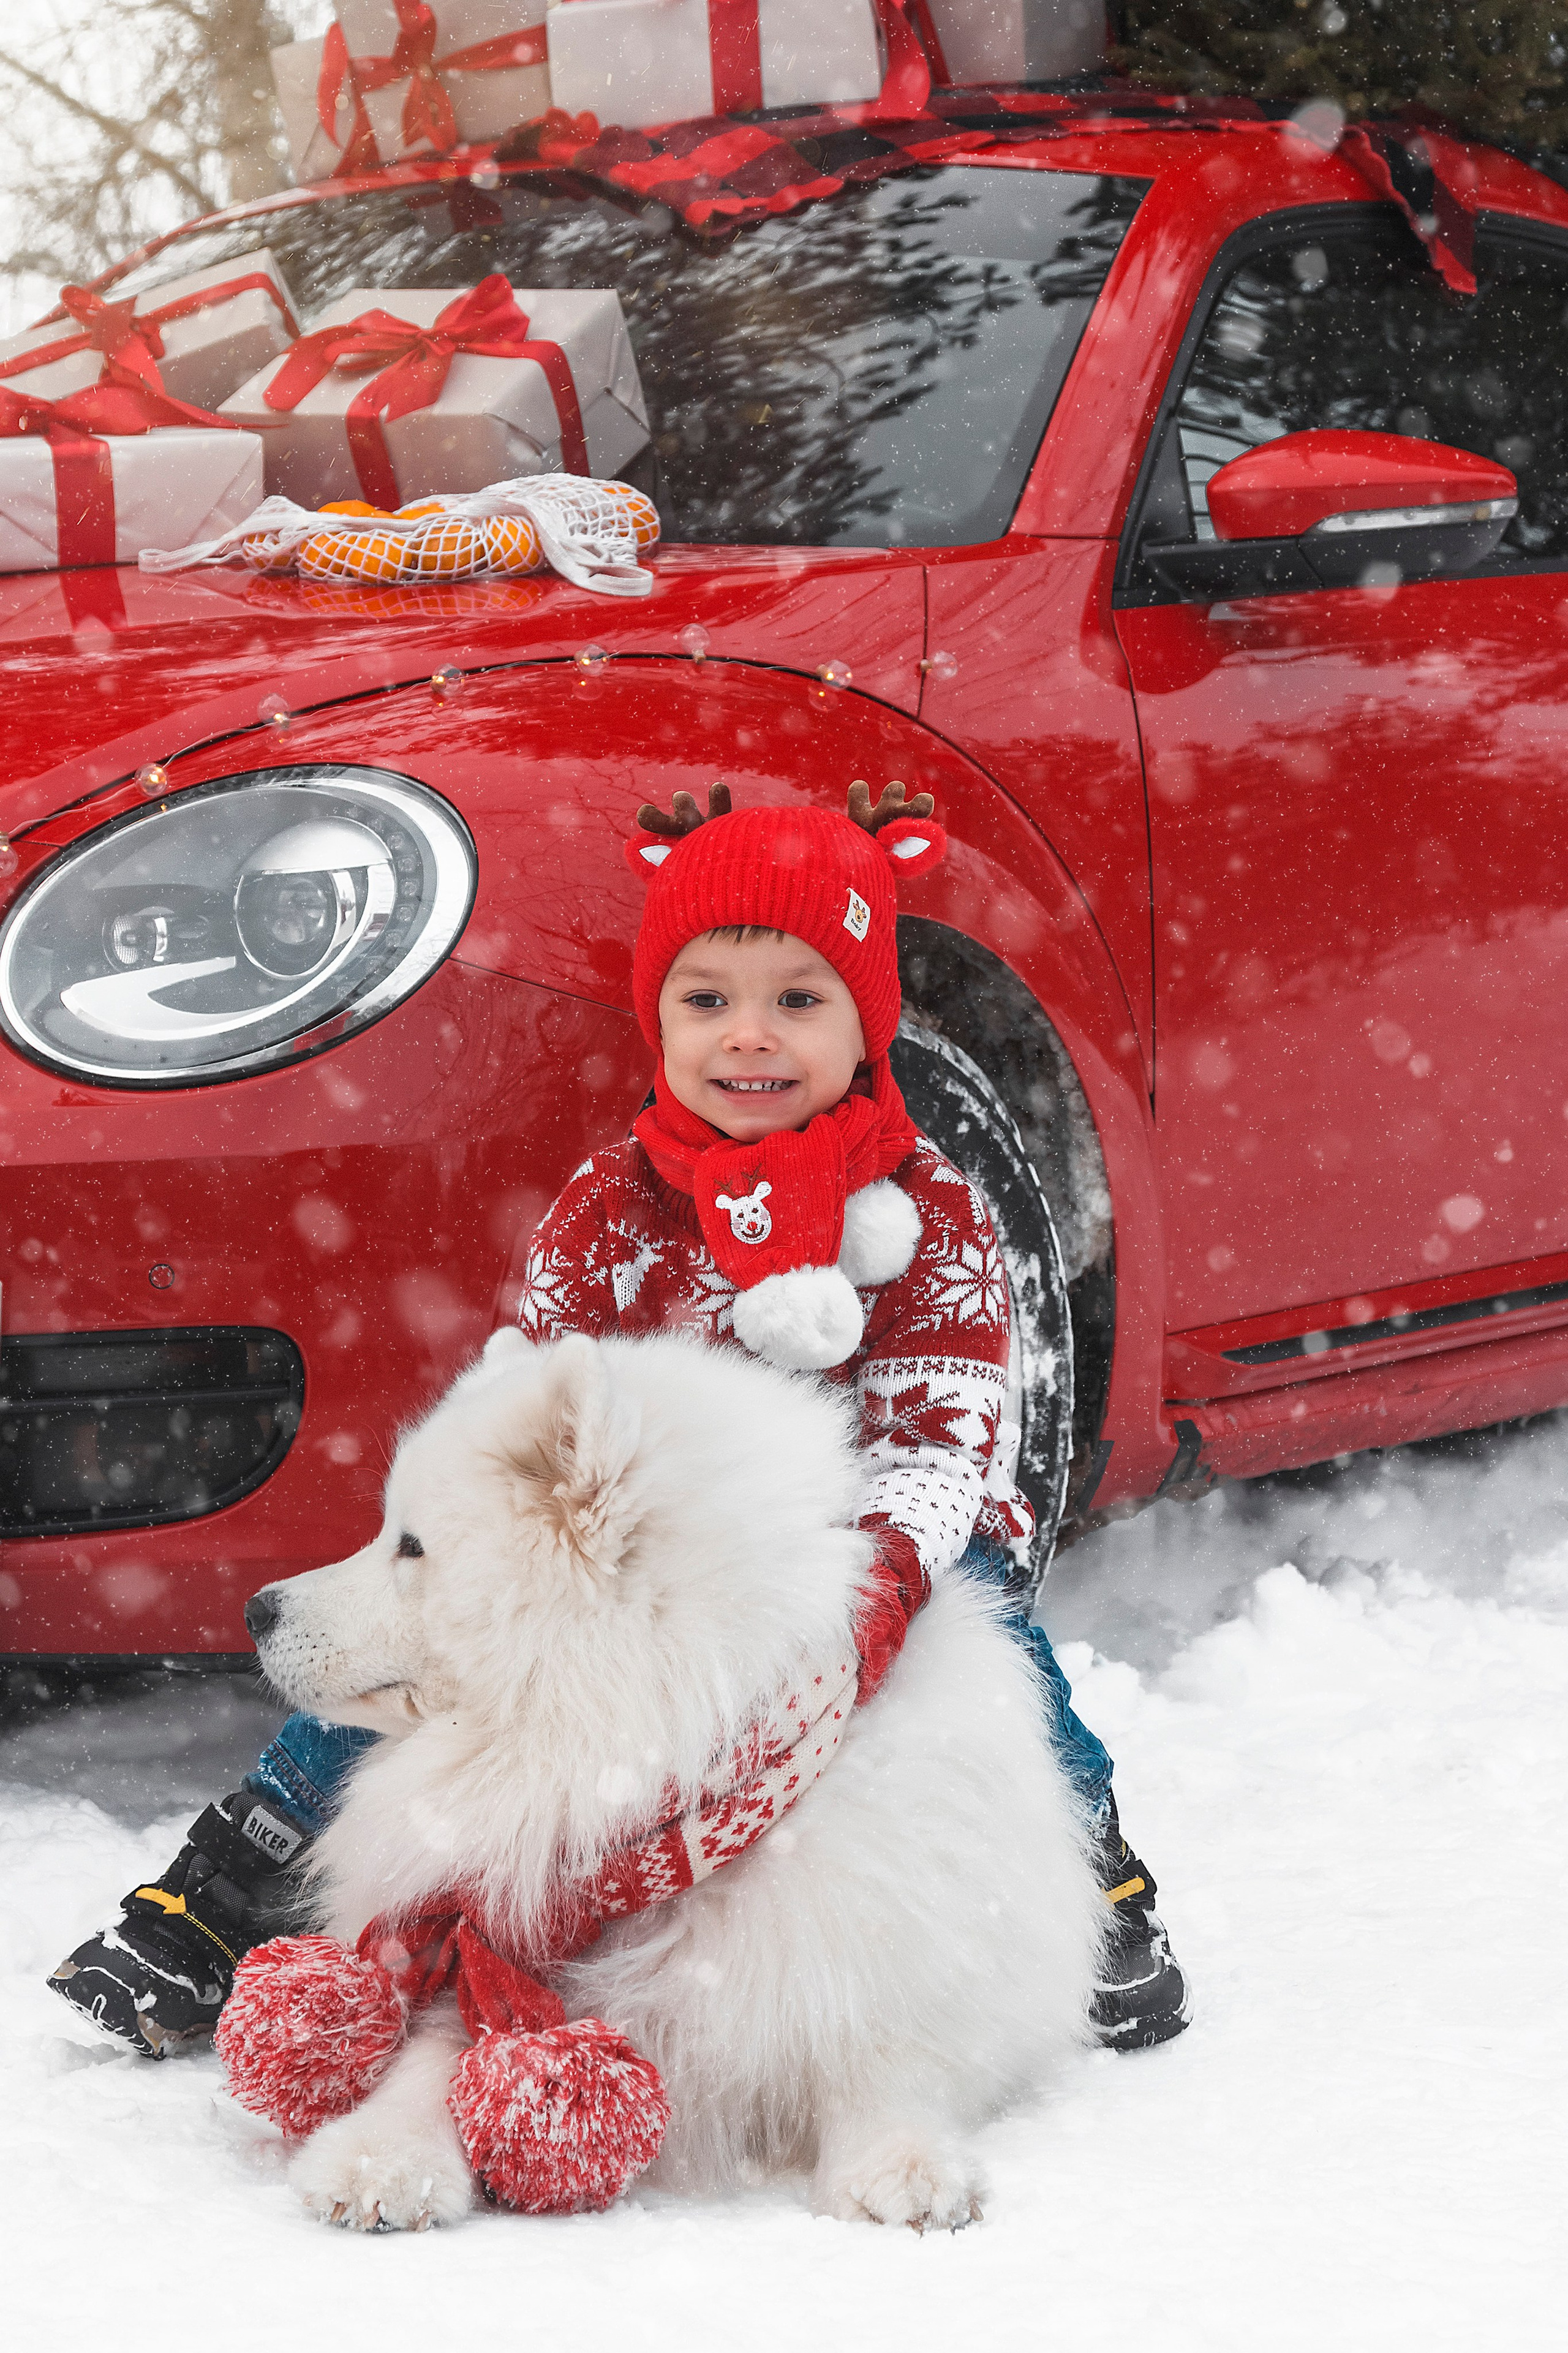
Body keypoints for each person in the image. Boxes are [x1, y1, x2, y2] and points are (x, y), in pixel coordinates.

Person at [50, 784, 1189, 2059]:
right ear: (659, 1018)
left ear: (867, 1024)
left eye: (797, 1001)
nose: (746, 1038)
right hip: (636, 1563)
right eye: (706, 1000)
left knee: (997, 1663)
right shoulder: (615, 1201)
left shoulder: (927, 1215)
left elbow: (941, 1440)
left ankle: (1086, 1866)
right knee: (419, 1645)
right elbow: (524, 1393)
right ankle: (239, 1871)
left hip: (872, 1546)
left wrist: (878, 1588)